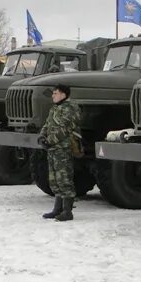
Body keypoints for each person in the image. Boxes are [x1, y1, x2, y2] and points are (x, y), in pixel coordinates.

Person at [37, 83, 81, 222]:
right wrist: (42, 136)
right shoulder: (55, 109)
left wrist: (49, 141)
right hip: (53, 149)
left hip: (63, 148)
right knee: (54, 179)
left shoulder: (70, 109)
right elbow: (47, 124)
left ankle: (67, 211)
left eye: (55, 93)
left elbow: (64, 129)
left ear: (63, 94)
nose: (53, 95)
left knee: (64, 179)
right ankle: (57, 209)